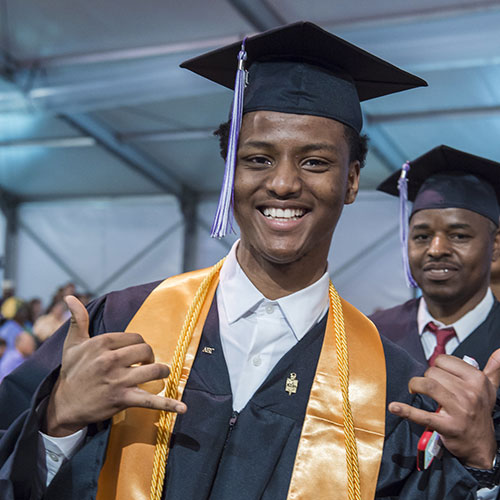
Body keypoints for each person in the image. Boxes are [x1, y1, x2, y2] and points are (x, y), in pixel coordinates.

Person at [0, 23, 499, 500]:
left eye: (315, 162)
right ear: (228, 172)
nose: (282, 183)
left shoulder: (388, 381)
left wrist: (480, 463)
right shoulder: (125, 323)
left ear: (351, 181)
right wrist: (57, 424)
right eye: (258, 158)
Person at [370, 146, 500, 371]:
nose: (436, 249)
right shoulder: (370, 333)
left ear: (495, 245)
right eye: (422, 236)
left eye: (459, 235)